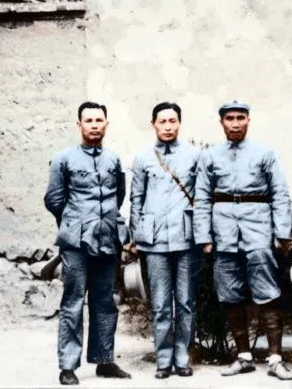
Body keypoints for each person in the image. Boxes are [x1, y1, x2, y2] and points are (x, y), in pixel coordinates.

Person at [193, 101, 292, 380]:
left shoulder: (265, 153)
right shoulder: (210, 156)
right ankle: (244, 357)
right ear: (221, 122)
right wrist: (204, 236)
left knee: (268, 292)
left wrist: (282, 233)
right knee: (230, 294)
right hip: (224, 232)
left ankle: (276, 359)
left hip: (258, 229)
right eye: (230, 118)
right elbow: (201, 198)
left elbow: (280, 194)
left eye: (240, 118)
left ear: (248, 121)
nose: (235, 123)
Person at [43, 101, 132, 386]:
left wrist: (103, 222)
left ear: (107, 124)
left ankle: (104, 360)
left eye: (99, 120)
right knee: (72, 302)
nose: (94, 125)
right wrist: (73, 223)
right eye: (89, 120)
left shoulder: (113, 159)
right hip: (76, 243)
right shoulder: (63, 159)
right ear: (78, 124)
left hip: (108, 239)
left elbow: (119, 195)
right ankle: (68, 366)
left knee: (105, 302)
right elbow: (54, 199)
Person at [129, 102, 202, 379]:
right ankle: (163, 360)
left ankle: (182, 357)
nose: (168, 126)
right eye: (163, 122)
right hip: (155, 239)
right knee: (160, 302)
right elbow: (136, 199)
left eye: (173, 121)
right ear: (154, 125)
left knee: (185, 301)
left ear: (180, 124)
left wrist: (203, 235)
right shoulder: (143, 158)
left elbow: (202, 197)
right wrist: (136, 235)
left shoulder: (195, 156)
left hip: (187, 238)